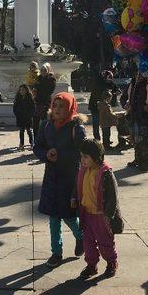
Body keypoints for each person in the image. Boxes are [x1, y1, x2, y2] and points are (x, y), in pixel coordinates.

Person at [34, 92, 87, 268]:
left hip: (69, 178)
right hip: (51, 177)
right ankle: (56, 252)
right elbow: (38, 147)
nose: (57, 109)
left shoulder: (76, 128)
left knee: (69, 216)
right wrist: (46, 155)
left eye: (61, 106)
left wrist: (61, 155)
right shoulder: (46, 125)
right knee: (54, 217)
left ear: (70, 108)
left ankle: (81, 237)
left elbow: (83, 154)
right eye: (55, 105)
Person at [75, 138, 122, 279]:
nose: (82, 159)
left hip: (101, 216)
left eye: (85, 157)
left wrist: (109, 214)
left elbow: (113, 195)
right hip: (87, 213)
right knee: (88, 242)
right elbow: (77, 186)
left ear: (96, 157)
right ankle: (91, 265)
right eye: (81, 156)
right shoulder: (84, 170)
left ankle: (111, 262)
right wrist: (73, 198)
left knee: (105, 242)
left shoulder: (105, 172)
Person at [88, 70, 120, 141]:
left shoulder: (109, 82)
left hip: (103, 106)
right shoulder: (98, 83)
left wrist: (117, 91)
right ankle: (97, 140)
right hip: (95, 106)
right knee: (96, 123)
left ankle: (106, 140)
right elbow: (101, 92)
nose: (109, 81)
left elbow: (116, 88)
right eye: (108, 79)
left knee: (105, 124)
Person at [34, 63, 57, 136]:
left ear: (48, 70)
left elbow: (49, 91)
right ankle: (36, 137)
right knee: (35, 120)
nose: (43, 72)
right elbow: (35, 88)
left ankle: (46, 136)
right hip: (38, 101)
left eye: (45, 70)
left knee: (46, 120)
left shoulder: (51, 79)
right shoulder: (38, 78)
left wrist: (39, 89)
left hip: (46, 102)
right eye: (42, 70)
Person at [13, 84, 36, 150]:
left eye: (23, 90)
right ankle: (21, 144)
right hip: (20, 117)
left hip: (28, 118)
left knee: (29, 131)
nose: (21, 91)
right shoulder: (17, 98)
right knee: (21, 131)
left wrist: (30, 115)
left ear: (26, 90)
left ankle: (32, 143)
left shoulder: (30, 98)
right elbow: (15, 108)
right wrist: (17, 115)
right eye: (20, 90)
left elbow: (33, 108)